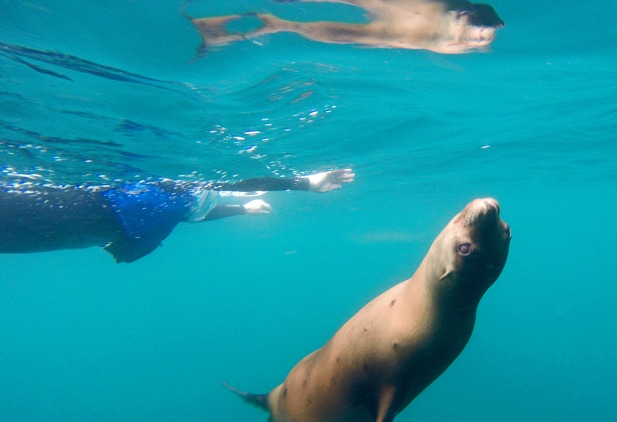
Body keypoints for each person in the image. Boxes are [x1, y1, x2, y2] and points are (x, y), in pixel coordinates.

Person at [0, 169, 354, 263]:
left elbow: (186, 211)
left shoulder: (158, 202)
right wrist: (302, 183)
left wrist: (242, 209)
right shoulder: (156, 191)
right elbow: (220, 183)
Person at [188, 0, 504, 55]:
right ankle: (259, 25)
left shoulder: (451, 29)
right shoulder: (438, 37)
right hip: (416, 29)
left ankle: (227, 25)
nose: (480, 45)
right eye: (478, 39)